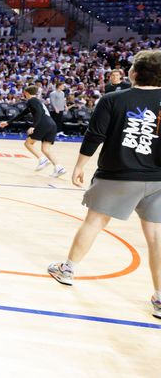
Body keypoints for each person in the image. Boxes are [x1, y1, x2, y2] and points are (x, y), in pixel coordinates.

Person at [47, 50, 161, 321]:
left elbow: (95, 135)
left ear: (134, 73)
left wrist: (79, 166)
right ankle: (159, 298)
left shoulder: (112, 99)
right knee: (156, 237)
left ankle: (68, 270)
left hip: (117, 175)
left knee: (95, 222)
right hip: (157, 178)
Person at [0, 86, 66, 178]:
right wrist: (7, 122)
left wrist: (33, 126)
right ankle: (59, 168)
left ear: (26, 92)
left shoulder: (32, 101)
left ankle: (42, 159)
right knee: (46, 149)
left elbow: (38, 113)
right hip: (52, 124)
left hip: (44, 123)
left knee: (28, 143)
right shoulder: (36, 102)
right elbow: (22, 114)